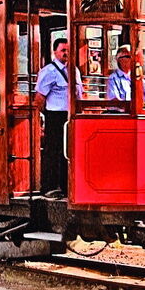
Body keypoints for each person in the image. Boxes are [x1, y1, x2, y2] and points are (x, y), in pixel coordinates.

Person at [35, 38, 83, 198]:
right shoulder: (48, 71)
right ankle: (49, 187)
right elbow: (39, 99)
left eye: (68, 50)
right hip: (55, 117)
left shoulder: (74, 71)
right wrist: (47, 116)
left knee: (68, 151)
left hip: (71, 116)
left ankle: (66, 186)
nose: (66, 53)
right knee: (52, 151)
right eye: (63, 50)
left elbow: (78, 93)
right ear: (55, 52)